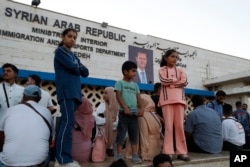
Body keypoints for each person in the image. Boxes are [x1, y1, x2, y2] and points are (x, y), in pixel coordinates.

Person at [53, 28, 89, 166]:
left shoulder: (73, 56)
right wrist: (77, 66)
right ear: (63, 37)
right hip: (66, 92)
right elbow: (73, 67)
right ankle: (63, 159)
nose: (72, 39)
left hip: (74, 94)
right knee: (67, 124)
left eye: (74, 37)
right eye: (69, 36)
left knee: (66, 124)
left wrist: (77, 65)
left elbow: (86, 72)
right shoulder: (60, 52)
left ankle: (62, 158)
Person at [0, 85, 53, 166]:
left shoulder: (10, 110)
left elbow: (1, 136)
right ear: (39, 98)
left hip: (9, 162)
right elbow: (50, 139)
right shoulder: (46, 112)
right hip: (38, 162)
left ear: (23, 96)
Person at [158, 49, 190, 161]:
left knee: (180, 126)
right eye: (172, 56)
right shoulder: (162, 69)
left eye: (176, 57)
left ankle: (182, 152)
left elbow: (184, 82)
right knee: (168, 127)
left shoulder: (180, 70)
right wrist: (175, 81)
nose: (174, 59)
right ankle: (168, 152)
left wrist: (172, 83)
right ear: (166, 58)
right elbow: (163, 81)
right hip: (167, 101)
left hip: (180, 101)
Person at [114, 60, 143, 164]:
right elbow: (118, 96)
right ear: (125, 72)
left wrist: (142, 108)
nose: (135, 73)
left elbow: (139, 98)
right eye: (133, 71)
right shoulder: (119, 83)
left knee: (134, 135)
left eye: (136, 71)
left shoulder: (135, 85)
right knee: (121, 134)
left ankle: (135, 155)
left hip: (134, 114)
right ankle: (119, 155)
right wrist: (125, 107)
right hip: (124, 113)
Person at [138, 93, 162, 161]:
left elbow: (144, 137)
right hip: (157, 149)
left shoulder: (142, 116)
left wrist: (144, 155)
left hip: (148, 151)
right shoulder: (155, 115)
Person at [72, 97, 95, 163]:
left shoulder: (73, 116)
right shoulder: (92, 118)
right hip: (86, 151)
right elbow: (92, 136)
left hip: (72, 152)